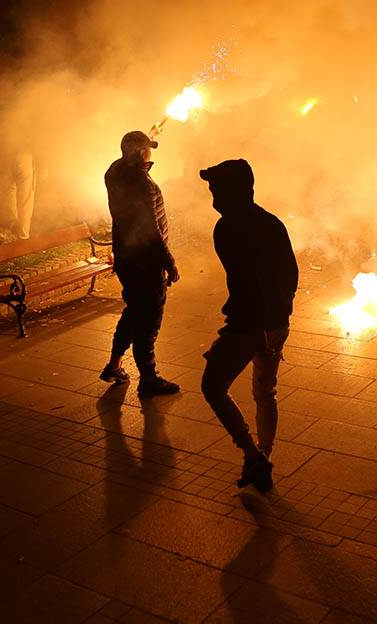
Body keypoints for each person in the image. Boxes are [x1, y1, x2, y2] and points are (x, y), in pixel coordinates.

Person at [197, 159, 298, 493]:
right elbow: (290, 275)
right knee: (265, 392)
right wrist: (279, 318)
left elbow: (245, 286)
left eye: (216, 190)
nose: (212, 197)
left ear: (234, 191)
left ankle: (253, 455)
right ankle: (264, 458)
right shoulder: (272, 223)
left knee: (213, 385)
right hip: (275, 323)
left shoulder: (227, 228)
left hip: (249, 325)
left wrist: (232, 334)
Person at [99, 131, 180, 398]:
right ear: (139, 153)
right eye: (147, 149)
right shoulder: (142, 184)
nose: (151, 152)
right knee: (148, 321)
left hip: (126, 258)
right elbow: (152, 230)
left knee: (134, 312)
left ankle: (114, 365)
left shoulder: (114, 173)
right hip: (146, 261)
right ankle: (149, 378)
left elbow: (123, 160)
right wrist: (169, 262)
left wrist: (138, 142)